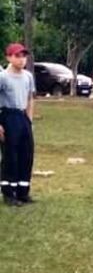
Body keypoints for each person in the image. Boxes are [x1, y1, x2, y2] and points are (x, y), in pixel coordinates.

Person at [0, 42, 36, 205]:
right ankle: (9, 193)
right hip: (8, 116)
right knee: (10, 156)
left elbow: (30, 99)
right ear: (9, 57)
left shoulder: (28, 76)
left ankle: (23, 192)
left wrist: (29, 120)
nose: (21, 60)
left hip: (22, 117)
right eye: (17, 56)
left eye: (23, 56)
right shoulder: (3, 77)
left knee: (26, 154)